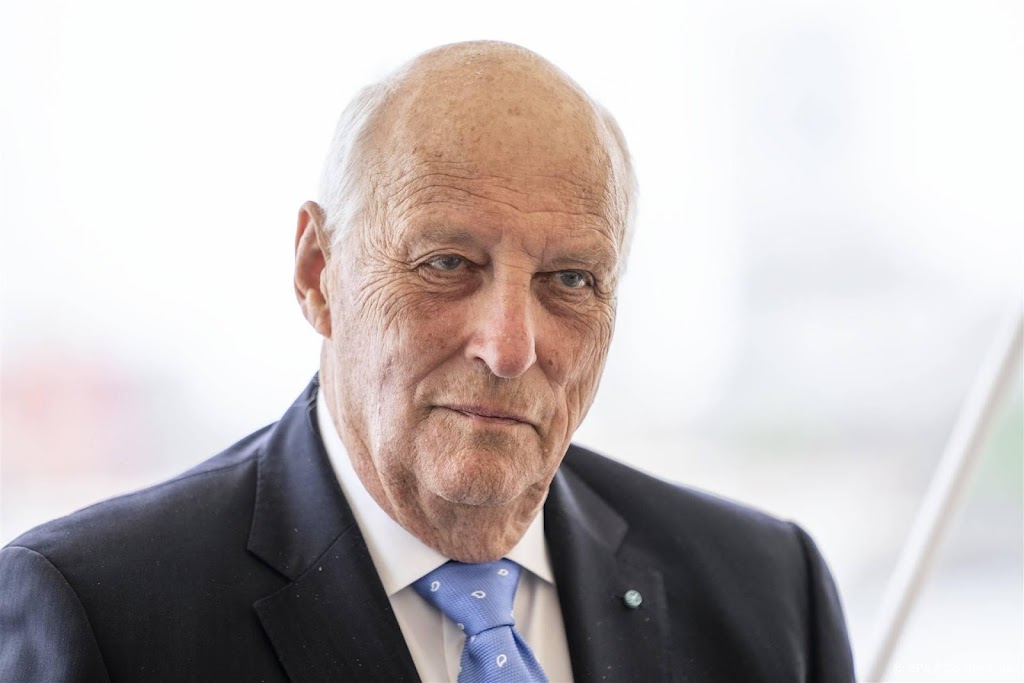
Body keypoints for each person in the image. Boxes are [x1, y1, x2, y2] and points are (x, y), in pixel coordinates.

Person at [0, 41, 855, 682]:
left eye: (569, 279)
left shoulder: (770, 592)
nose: (510, 346)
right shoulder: (103, 615)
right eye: (447, 263)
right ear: (318, 273)